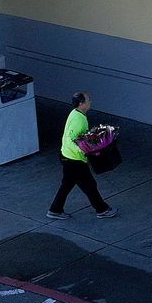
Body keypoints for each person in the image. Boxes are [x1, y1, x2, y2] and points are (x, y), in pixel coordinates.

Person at [48, 91, 114, 220]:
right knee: (89, 185)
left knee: (67, 184)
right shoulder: (79, 119)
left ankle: (55, 210)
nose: (90, 102)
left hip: (67, 157)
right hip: (74, 160)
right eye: (88, 100)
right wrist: (85, 150)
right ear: (81, 104)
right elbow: (71, 139)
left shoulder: (76, 114)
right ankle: (102, 209)